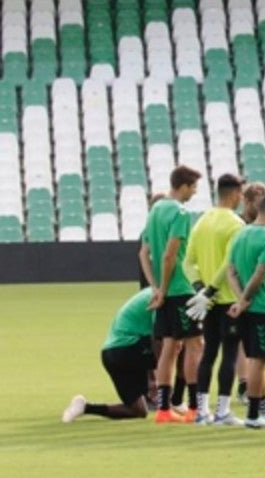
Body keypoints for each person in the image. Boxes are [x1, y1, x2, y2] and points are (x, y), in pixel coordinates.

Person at [182, 173, 247, 426]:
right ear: (234, 194)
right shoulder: (235, 224)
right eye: (241, 194)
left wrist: (200, 288)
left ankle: (201, 411)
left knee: (208, 353)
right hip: (227, 299)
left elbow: (188, 262)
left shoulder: (202, 221)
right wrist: (210, 289)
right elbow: (229, 263)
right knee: (229, 354)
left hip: (206, 302)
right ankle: (222, 411)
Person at [141, 165, 204, 423]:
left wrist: (155, 287)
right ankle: (193, 407)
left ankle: (164, 409)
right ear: (185, 186)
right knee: (194, 345)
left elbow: (143, 253)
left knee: (169, 346)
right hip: (180, 288)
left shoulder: (155, 210)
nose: (194, 193)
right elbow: (169, 254)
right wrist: (164, 289)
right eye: (194, 188)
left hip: (166, 290)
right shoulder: (179, 212)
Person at [224, 193, 265, 429]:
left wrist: (240, 298)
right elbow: (259, 274)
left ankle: (263, 409)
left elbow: (230, 271)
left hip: (248, 308)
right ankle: (252, 415)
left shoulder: (241, 234)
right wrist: (246, 299)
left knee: (257, 359)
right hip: (263, 307)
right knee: (259, 361)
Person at [62, 289, 158, 422]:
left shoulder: (154, 292)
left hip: (113, 353)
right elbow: (157, 340)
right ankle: (178, 401)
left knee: (139, 410)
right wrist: (155, 380)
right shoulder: (160, 295)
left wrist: (153, 379)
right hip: (126, 350)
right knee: (178, 344)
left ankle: (85, 407)